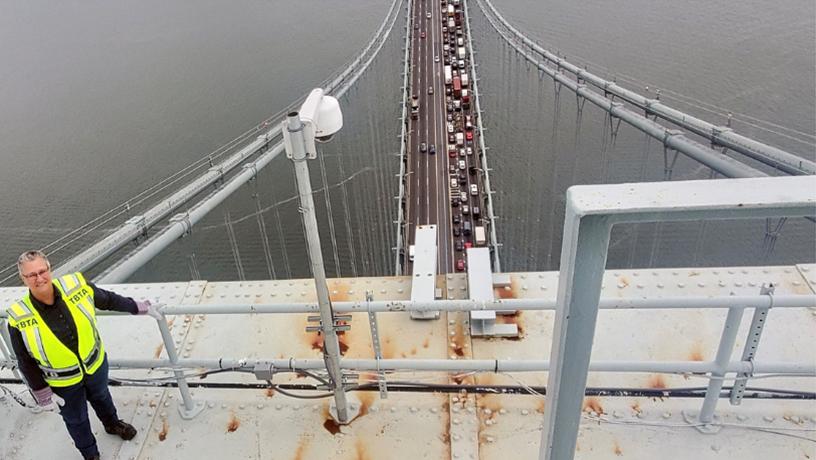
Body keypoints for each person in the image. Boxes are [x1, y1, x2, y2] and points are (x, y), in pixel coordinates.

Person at [5, 250, 155, 460]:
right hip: (63, 383)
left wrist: (136, 307)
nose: (39, 278)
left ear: (50, 269)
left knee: (102, 397)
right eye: (31, 275)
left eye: (42, 271)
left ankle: (112, 424)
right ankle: (90, 454)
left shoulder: (75, 285)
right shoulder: (19, 316)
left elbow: (107, 299)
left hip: (95, 367)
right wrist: (43, 394)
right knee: (76, 420)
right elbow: (25, 360)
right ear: (23, 279)